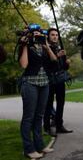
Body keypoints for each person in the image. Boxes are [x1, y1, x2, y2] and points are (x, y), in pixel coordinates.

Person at [18, 25, 56, 159]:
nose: (37, 35)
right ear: (30, 35)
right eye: (34, 33)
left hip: (44, 84)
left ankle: (40, 145)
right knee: (29, 117)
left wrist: (46, 45)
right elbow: (23, 65)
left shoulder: (44, 48)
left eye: (39, 33)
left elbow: (54, 60)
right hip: (30, 84)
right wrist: (25, 45)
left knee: (39, 116)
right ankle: (28, 149)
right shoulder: (26, 46)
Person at [44, 28, 73, 136]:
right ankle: (47, 127)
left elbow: (63, 67)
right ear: (48, 36)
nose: (55, 37)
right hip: (50, 80)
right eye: (52, 35)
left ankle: (59, 125)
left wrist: (67, 63)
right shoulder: (46, 48)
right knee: (49, 104)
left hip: (60, 80)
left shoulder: (59, 47)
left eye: (56, 35)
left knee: (61, 103)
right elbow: (48, 65)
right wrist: (58, 56)